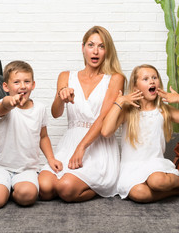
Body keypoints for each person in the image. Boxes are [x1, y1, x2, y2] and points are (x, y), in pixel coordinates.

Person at [38, 26, 126, 202]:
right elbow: (56, 114)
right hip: (69, 142)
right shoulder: (65, 76)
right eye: (91, 45)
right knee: (44, 189)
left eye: (101, 46)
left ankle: (101, 188)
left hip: (97, 145)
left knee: (65, 188)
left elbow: (103, 118)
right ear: (83, 47)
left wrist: (82, 147)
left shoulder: (116, 78)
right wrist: (60, 98)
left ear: (107, 51)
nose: (95, 51)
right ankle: (73, 183)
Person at [101, 64, 179, 203]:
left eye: (154, 78)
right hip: (131, 167)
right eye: (145, 79)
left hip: (155, 165)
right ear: (135, 88)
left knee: (157, 181)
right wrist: (119, 101)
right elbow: (106, 131)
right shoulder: (128, 111)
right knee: (139, 194)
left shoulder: (163, 110)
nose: (151, 81)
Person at [0, 60, 62, 208]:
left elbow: (43, 136)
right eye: (17, 82)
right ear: (6, 87)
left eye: (27, 81)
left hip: (27, 169)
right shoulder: (4, 106)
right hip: (2, 167)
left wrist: (51, 158)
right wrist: (11, 101)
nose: (22, 86)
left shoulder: (39, 108)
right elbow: (4, 105)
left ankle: (11, 191)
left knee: (28, 197)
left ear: (33, 85)